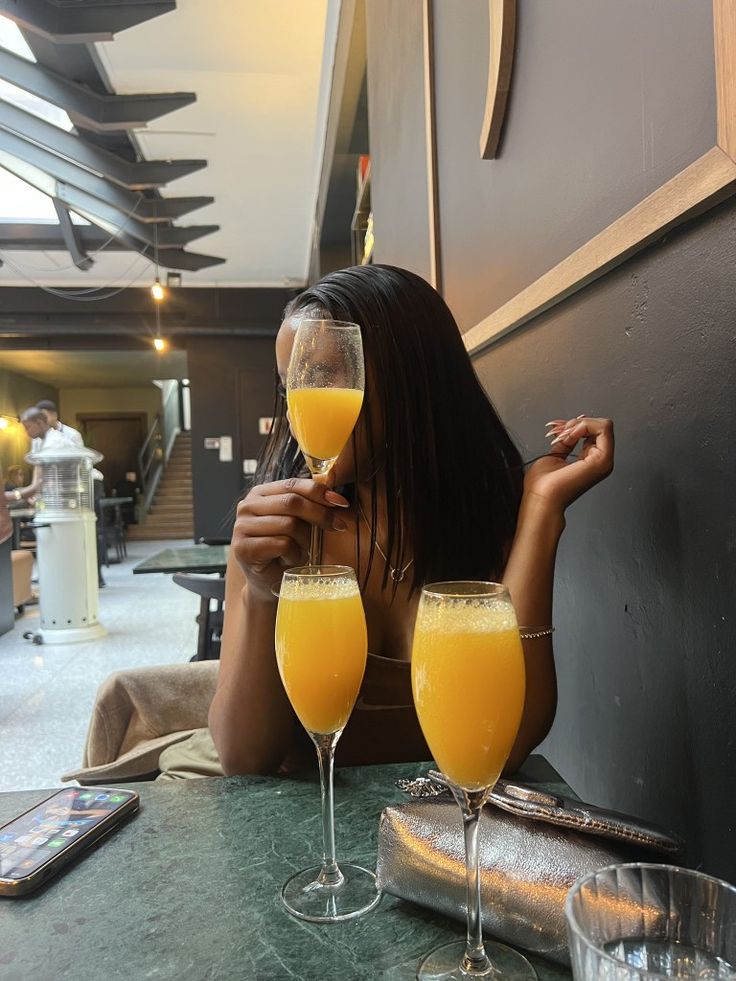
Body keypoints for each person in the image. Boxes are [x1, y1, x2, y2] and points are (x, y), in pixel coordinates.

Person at [207, 265, 615, 779]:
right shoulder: (277, 533)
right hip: (310, 839)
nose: (296, 411)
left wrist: (542, 511)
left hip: (449, 833)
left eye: (325, 375)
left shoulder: (494, 518)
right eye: (291, 385)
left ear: (410, 376)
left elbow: (507, 743)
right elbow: (244, 761)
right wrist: (262, 593)